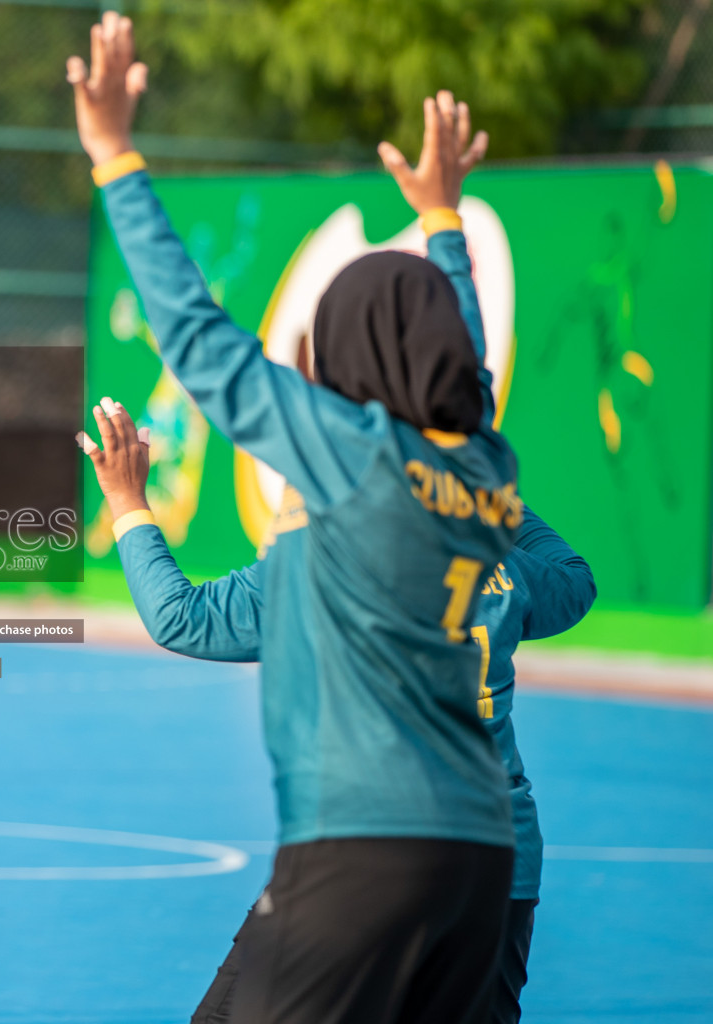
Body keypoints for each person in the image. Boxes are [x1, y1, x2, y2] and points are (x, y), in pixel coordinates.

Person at [80, 96, 596, 1023]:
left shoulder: (351, 476)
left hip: (366, 848)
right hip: (491, 858)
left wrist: (116, 156)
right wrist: (444, 221)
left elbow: (196, 338)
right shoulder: (485, 476)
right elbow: (467, 378)